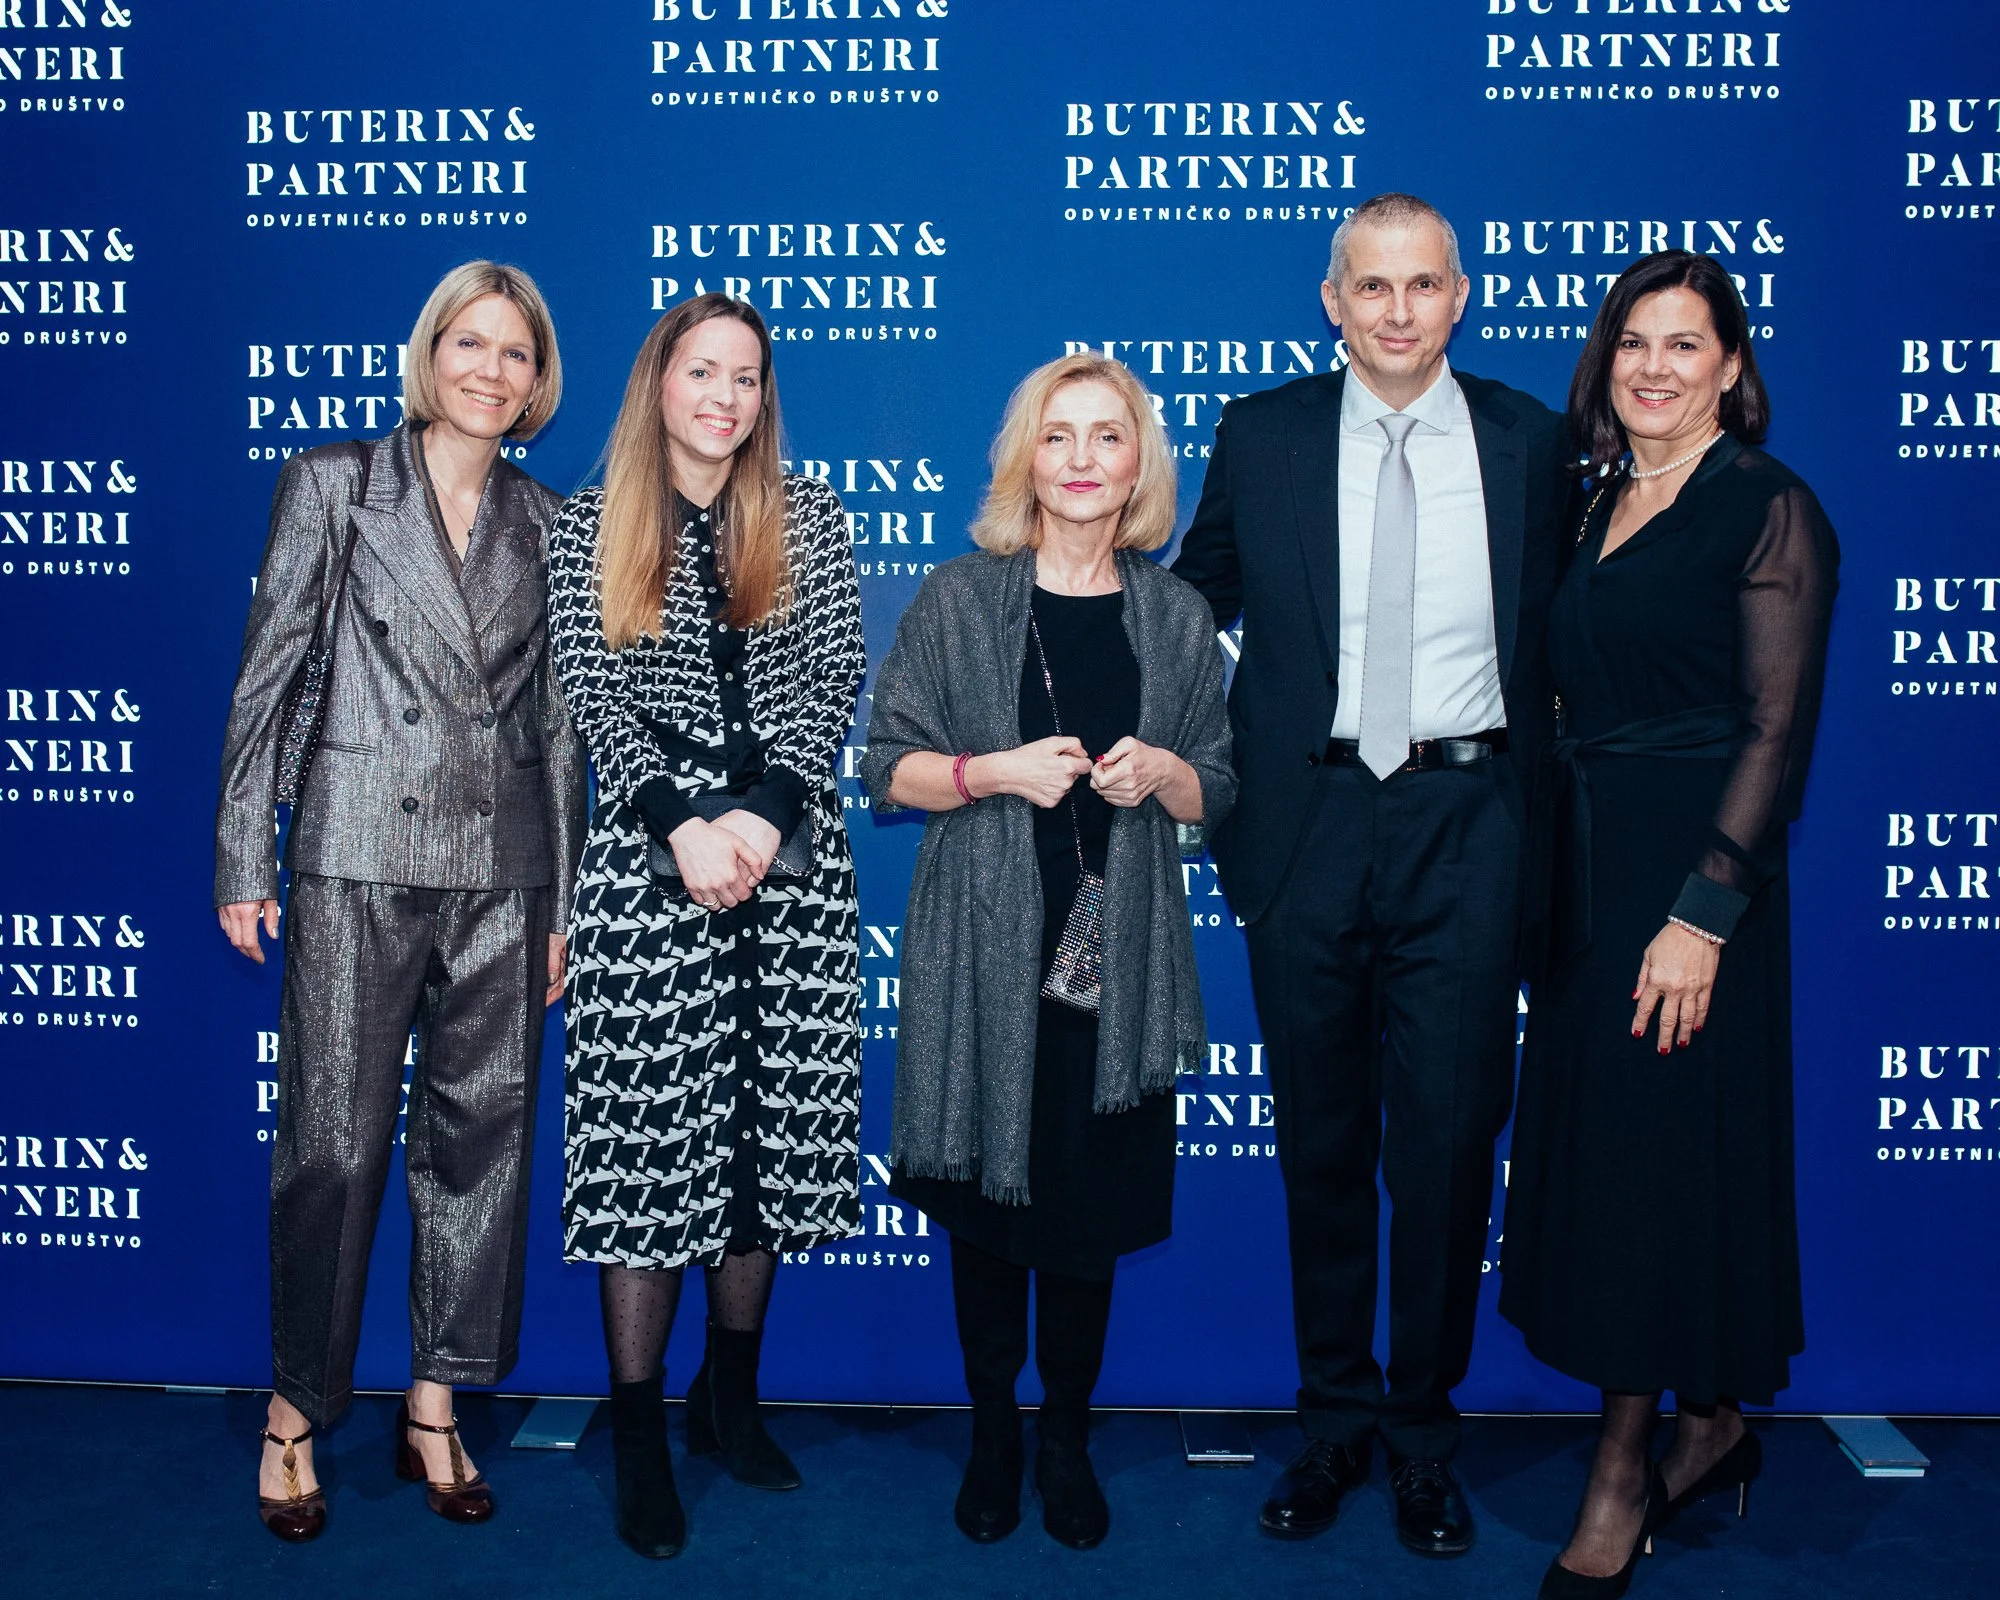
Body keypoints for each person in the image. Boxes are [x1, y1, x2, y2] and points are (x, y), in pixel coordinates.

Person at [1172, 193, 1573, 1559]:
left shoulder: (1533, 441)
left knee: (1453, 1148)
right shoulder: (1263, 434)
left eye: (1422, 285)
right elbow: (1187, 607)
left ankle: (1421, 1433)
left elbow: (1591, 636)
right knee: (1324, 1146)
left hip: (1474, 823)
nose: (1398, 311)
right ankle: (1334, 1419)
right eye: (1371, 287)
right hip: (1309, 829)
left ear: (1461, 296)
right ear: (1331, 303)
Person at [214, 261, 583, 1541]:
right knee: (329, 1145)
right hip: (358, 852)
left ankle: (436, 1401)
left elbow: (561, 725)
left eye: (515, 354)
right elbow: (269, 680)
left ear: (538, 381)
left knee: (477, 1152)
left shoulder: (552, 521)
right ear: (430, 356)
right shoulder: (334, 483)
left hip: (505, 869)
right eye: (469, 345)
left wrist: (564, 901)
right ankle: (295, 1411)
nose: (490, 370)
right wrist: (241, 857)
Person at [1500, 251, 1838, 1598]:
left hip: (1700, 880)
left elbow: (1776, 730)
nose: (1654, 367)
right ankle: (1712, 1422)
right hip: (1590, 875)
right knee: (1626, 1166)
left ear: (1733, 368)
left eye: (1685, 346)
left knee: (1657, 1169)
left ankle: (1625, 1471)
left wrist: (1702, 913)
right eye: (1634, 343)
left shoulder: (1769, 508)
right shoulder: (1598, 502)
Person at [862, 353, 1234, 1550]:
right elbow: (889, 766)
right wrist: (992, 772)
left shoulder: (1174, 617)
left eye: (1106, 437)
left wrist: (1167, 774)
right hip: (980, 957)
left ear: (1138, 465)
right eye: (1058, 435)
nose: (1080, 459)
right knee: (985, 1210)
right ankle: (990, 1431)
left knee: (1084, 1215)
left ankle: (1064, 1435)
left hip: (1111, 965)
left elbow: (1215, 783)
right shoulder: (959, 598)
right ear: (1026, 456)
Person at [547, 293, 865, 1560]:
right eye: (701, 372)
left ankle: (728, 1396)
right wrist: (681, 826)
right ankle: (636, 1430)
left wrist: (766, 818)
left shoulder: (813, 519)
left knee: (762, 1145)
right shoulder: (587, 528)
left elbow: (832, 671)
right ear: (658, 384)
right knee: (646, 1153)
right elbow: (590, 691)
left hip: (786, 863)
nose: (724, 397)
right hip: (645, 861)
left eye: (745, 377)